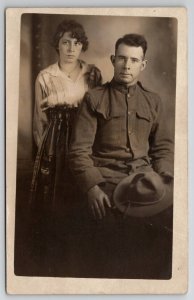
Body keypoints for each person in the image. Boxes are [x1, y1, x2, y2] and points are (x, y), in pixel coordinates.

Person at [68, 34, 174, 278]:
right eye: (122, 59)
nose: (127, 66)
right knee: (109, 236)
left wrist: (166, 177)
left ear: (143, 65)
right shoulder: (94, 98)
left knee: (169, 230)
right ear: (113, 59)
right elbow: (79, 151)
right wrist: (92, 187)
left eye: (134, 60)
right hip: (106, 181)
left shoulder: (153, 101)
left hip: (145, 181)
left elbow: (163, 149)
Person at [28, 20, 102, 276]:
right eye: (66, 42)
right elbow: (39, 121)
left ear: (83, 46)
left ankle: (85, 255)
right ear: (57, 45)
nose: (72, 48)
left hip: (85, 139)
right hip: (56, 142)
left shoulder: (92, 73)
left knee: (84, 193)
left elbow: (99, 111)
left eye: (77, 43)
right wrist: (45, 154)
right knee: (58, 198)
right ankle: (56, 257)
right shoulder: (45, 76)